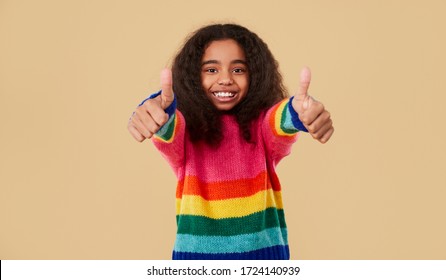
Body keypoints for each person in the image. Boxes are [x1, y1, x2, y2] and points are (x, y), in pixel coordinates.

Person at [127, 23, 334, 260]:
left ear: (255, 75)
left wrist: (299, 110)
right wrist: (156, 114)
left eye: (238, 70)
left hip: (264, 260)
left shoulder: (261, 127)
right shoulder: (186, 132)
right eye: (211, 70)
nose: (225, 79)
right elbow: (169, 128)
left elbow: (279, 120)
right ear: (193, 77)